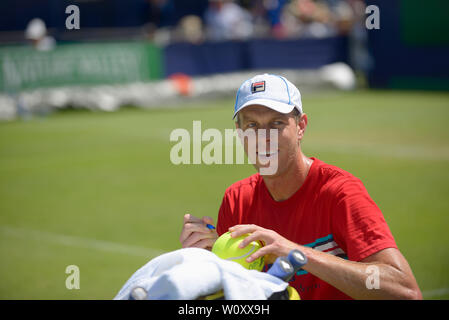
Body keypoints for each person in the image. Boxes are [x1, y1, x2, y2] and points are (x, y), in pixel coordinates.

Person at [179, 74, 422, 300]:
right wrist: (207, 264)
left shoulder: (340, 192)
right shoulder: (237, 198)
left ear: (301, 127)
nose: (264, 137)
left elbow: (405, 291)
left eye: (276, 123)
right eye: (252, 125)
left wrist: (296, 253)